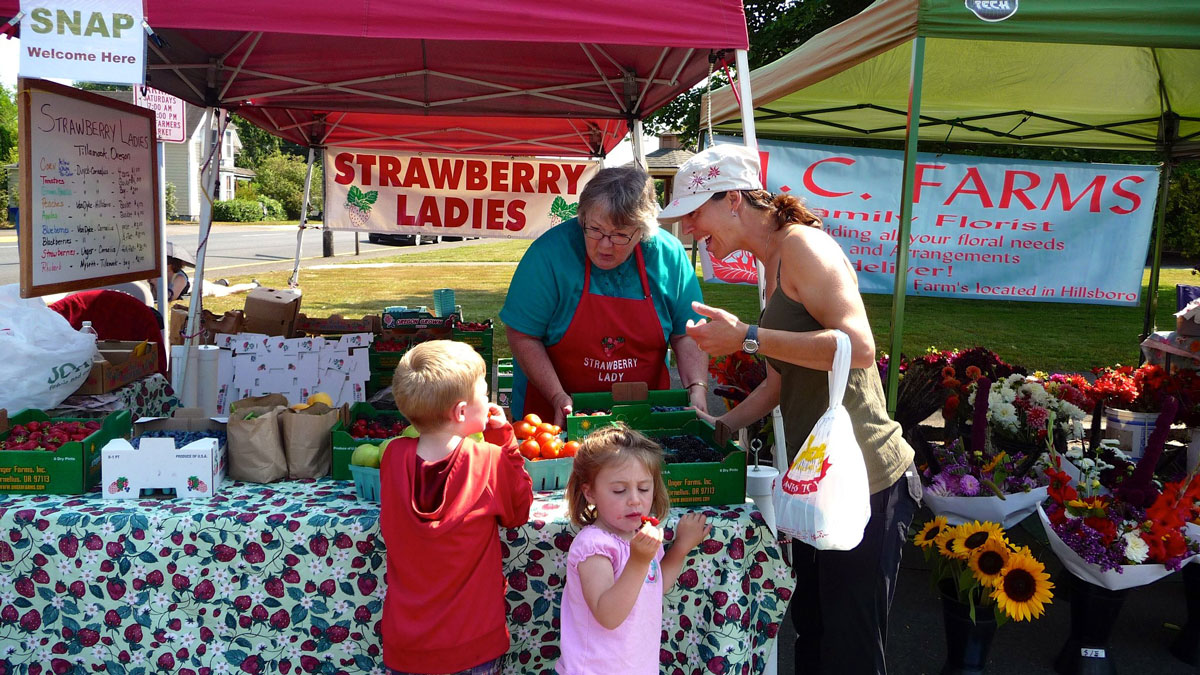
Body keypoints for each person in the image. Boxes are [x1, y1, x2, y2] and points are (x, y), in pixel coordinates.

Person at [658, 144, 920, 675]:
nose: (688, 230)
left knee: (850, 647)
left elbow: (859, 347)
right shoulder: (772, 258)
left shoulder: (803, 246)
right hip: (819, 478)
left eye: (694, 213)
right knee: (816, 628)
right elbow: (784, 377)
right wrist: (725, 424)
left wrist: (747, 337)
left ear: (733, 199)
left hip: (864, 476)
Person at [500, 165, 709, 428]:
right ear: (583, 217)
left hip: (643, 413)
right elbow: (523, 334)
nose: (605, 245)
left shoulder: (668, 256)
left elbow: (687, 333)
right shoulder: (548, 255)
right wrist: (556, 396)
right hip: (554, 415)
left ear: (642, 232)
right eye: (595, 229)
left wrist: (697, 388)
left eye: (621, 234)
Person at [380, 340, 534, 675]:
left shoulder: (392, 457)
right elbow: (518, 512)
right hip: (473, 645)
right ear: (462, 412)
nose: (489, 401)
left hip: (406, 646)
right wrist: (504, 439)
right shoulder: (489, 460)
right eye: (485, 393)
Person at [557, 424, 711, 674]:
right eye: (619, 490)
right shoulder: (594, 546)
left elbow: (655, 583)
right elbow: (608, 615)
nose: (634, 499)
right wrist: (638, 561)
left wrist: (681, 547)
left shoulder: (638, 536)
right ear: (590, 492)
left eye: (643, 488)